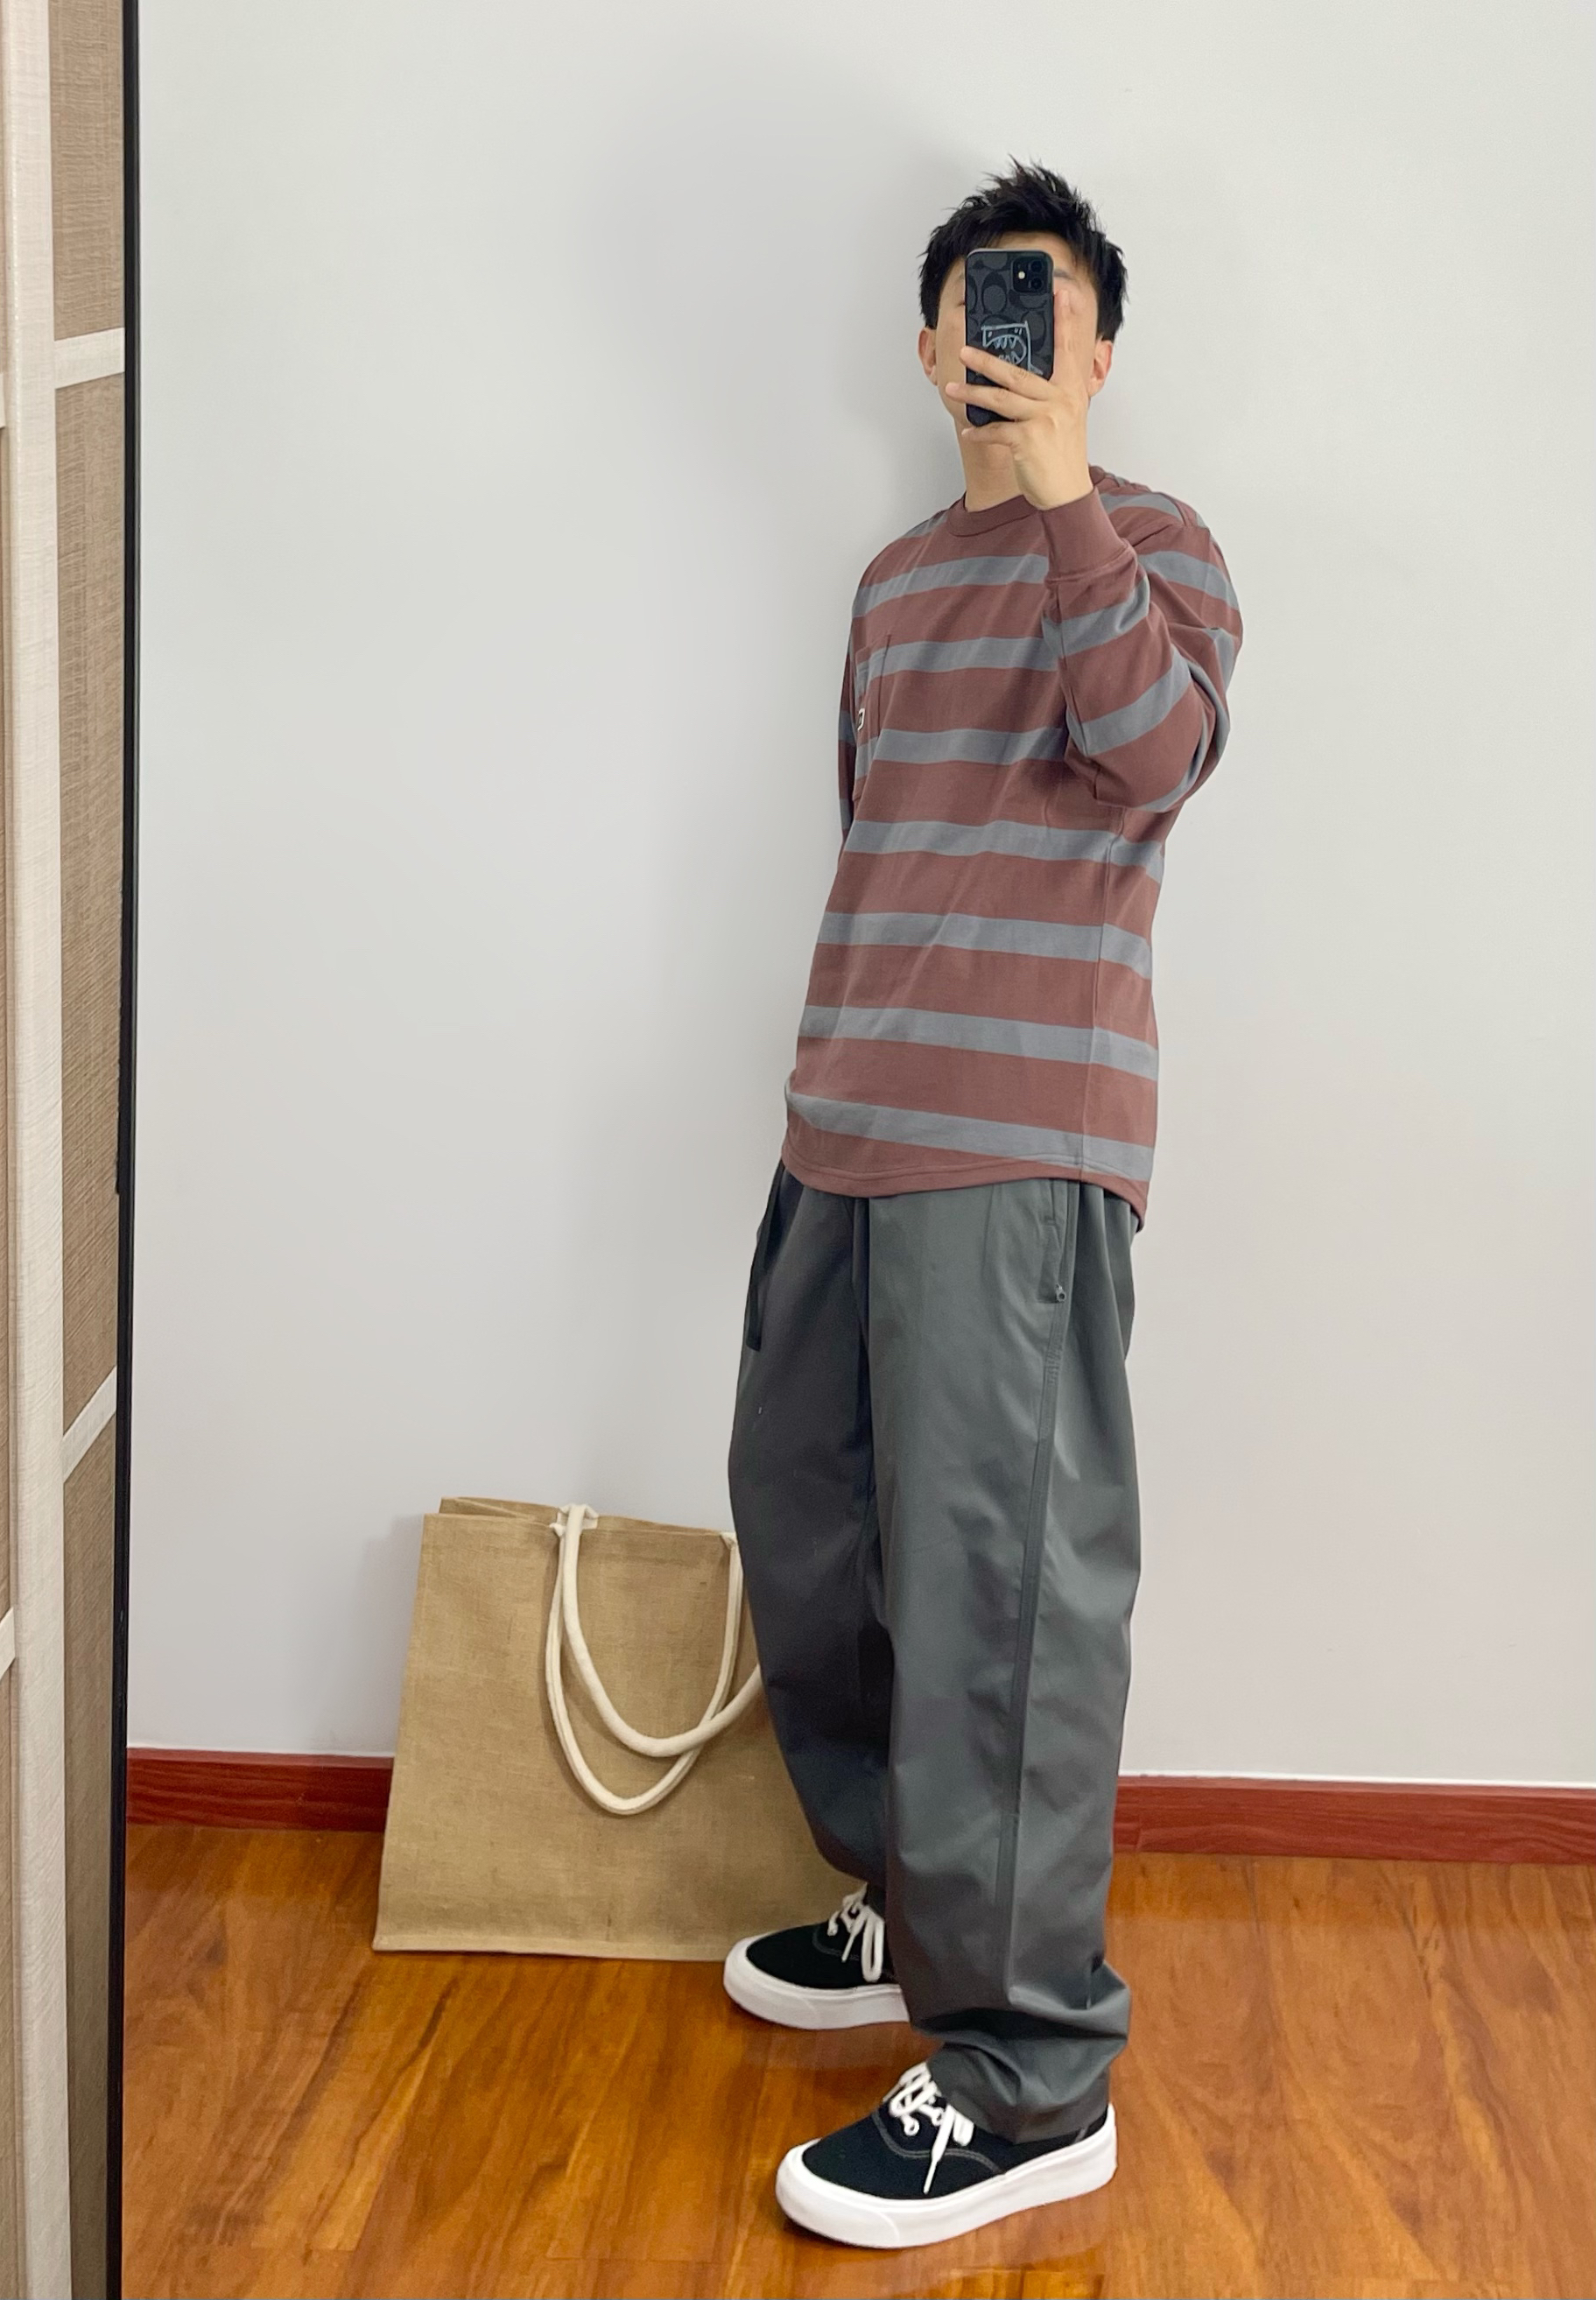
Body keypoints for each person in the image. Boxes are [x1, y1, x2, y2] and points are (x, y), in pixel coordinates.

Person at [722, 160, 1242, 2250]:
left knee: (1002, 1607)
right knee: (816, 1544)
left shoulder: (1156, 549)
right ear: (930, 345)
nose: (1000, 342)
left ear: (1095, 352)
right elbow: (880, 837)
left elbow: (1148, 758)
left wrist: (1061, 503)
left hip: (1020, 1155)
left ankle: (1030, 2078)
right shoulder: (884, 584)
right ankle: (910, 1910)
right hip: (842, 1127)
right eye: (973, 309)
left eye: (1041, 311)